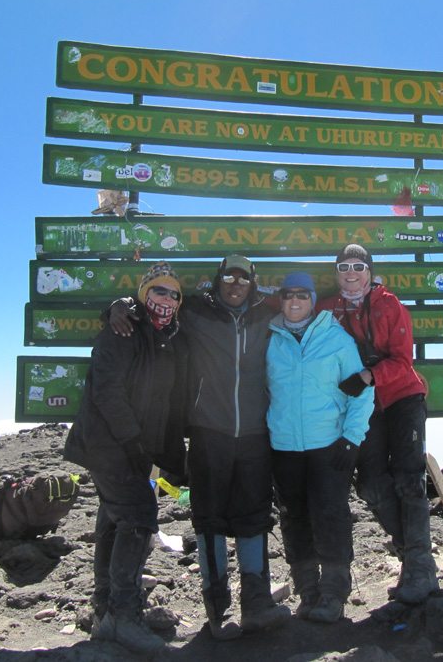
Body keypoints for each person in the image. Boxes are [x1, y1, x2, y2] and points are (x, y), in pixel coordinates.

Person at [107, 255, 289, 639]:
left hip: (257, 433)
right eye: (228, 276)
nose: (235, 283)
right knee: (208, 520)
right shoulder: (196, 312)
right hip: (209, 432)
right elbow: (155, 309)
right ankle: (218, 611)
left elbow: (308, 305)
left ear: (252, 283)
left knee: (255, 515)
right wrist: (117, 305)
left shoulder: (265, 315)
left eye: (243, 277)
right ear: (218, 280)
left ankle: (256, 604)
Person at [64, 261, 188, 655]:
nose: (165, 299)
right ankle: (124, 616)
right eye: (158, 291)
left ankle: (106, 612)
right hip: (110, 446)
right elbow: (108, 391)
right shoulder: (123, 330)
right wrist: (132, 442)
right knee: (136, 517)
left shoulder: (163, 334)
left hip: (132, 448)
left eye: (173, 294)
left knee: (115, 521)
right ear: (143, 293)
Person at [317, 244, 439, 604]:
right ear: (336, 271)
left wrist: (370, 375)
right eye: (343, 266)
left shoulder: (390, 305)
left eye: (358, 266)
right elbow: (294, 309)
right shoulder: (328, 309)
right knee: (370, 483)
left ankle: (419, 570)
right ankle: (415, 561)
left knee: (409, 480)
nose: (350, 272)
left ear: (369, 271)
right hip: (363, 406)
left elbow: (404, 361)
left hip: (402, 397)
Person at [266, 272, 373, 623]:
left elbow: (362, 390)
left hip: (328, 445)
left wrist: (351, 439)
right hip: (283, 447)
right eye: (288, 295)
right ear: (280, 299)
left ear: (313, 300)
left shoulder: (336, 339)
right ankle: (307, 592)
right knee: (293, 519)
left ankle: (334, 594)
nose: (294, 301)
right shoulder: (271, 340)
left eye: (302, 295)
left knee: (330, 517)